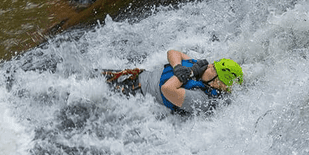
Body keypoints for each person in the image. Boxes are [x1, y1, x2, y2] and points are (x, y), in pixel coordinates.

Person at [103, 49, 244, 114]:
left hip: (133, 95)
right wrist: (178, 67)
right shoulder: (200, 71)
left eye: (214, 69)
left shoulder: (202, 100)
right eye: (213, 64)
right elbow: (173, 52)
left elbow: (167, 89)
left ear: (218, 83)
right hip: (134, 76)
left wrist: (188, 72)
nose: (209, 66)